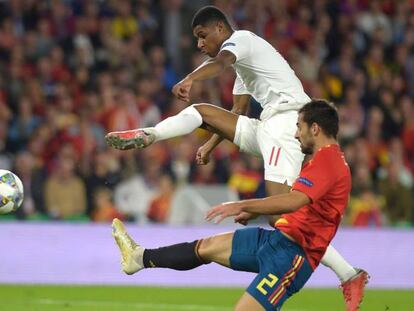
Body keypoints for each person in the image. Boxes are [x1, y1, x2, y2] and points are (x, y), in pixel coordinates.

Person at [105, 6, 367, 309]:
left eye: (202, 36)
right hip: (268, 126)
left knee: (282, 213)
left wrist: (190, 78)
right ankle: (150, 134)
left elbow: (220, 61)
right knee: (201, 112)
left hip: (288, 123)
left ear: (219, 28)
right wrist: (211, 146)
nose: (200, 44)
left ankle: (349, 274)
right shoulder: (245, 66)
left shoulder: (241, 41)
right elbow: (237, 113)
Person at [112, 100, 368, 311]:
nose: (294, 133)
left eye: (298, 126)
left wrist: (242, 205)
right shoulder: (323, 161)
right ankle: (139, 258)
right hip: (276, 242)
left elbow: (293, 200)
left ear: (315, 128)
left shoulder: (328, 162)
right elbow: (298, 204)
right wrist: (253, 210)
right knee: (206, 248)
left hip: (294, 258)